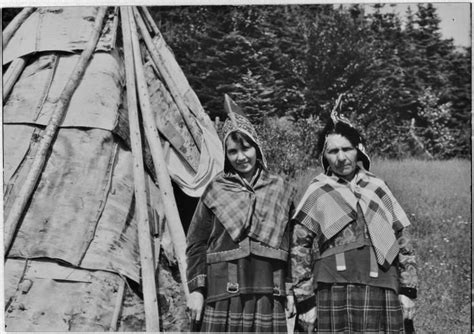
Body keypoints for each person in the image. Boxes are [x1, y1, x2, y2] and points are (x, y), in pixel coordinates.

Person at [288, 113, 418, 333]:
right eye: (333, 151)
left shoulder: (377, 187)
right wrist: (306, 302)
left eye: (346, 149)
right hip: (333, 290)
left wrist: (408, 291)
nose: (341, 157)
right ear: (324, 156)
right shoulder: (318, 190)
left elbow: (403, 238)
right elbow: (299, 248)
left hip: (382, 288)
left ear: (357, 149)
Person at [186, 111, 296, 332]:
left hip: (268, 288)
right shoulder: (216, 189)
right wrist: (197, 289)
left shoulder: (280, 189)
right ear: (226, 155)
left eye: (246, 148)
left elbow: (291, 244)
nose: (241, 157)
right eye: (233, 151)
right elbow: (196, 243)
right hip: (224, 289)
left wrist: (291, 289)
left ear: (257, 148)